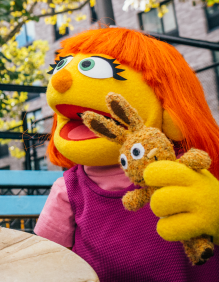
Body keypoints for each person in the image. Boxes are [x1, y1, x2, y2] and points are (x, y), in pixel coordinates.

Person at [34, 27, 219, 281]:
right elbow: (48, 256)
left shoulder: (192, 168)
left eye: (93, 67)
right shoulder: (69, 189)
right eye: (61, 67)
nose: (60, 80)